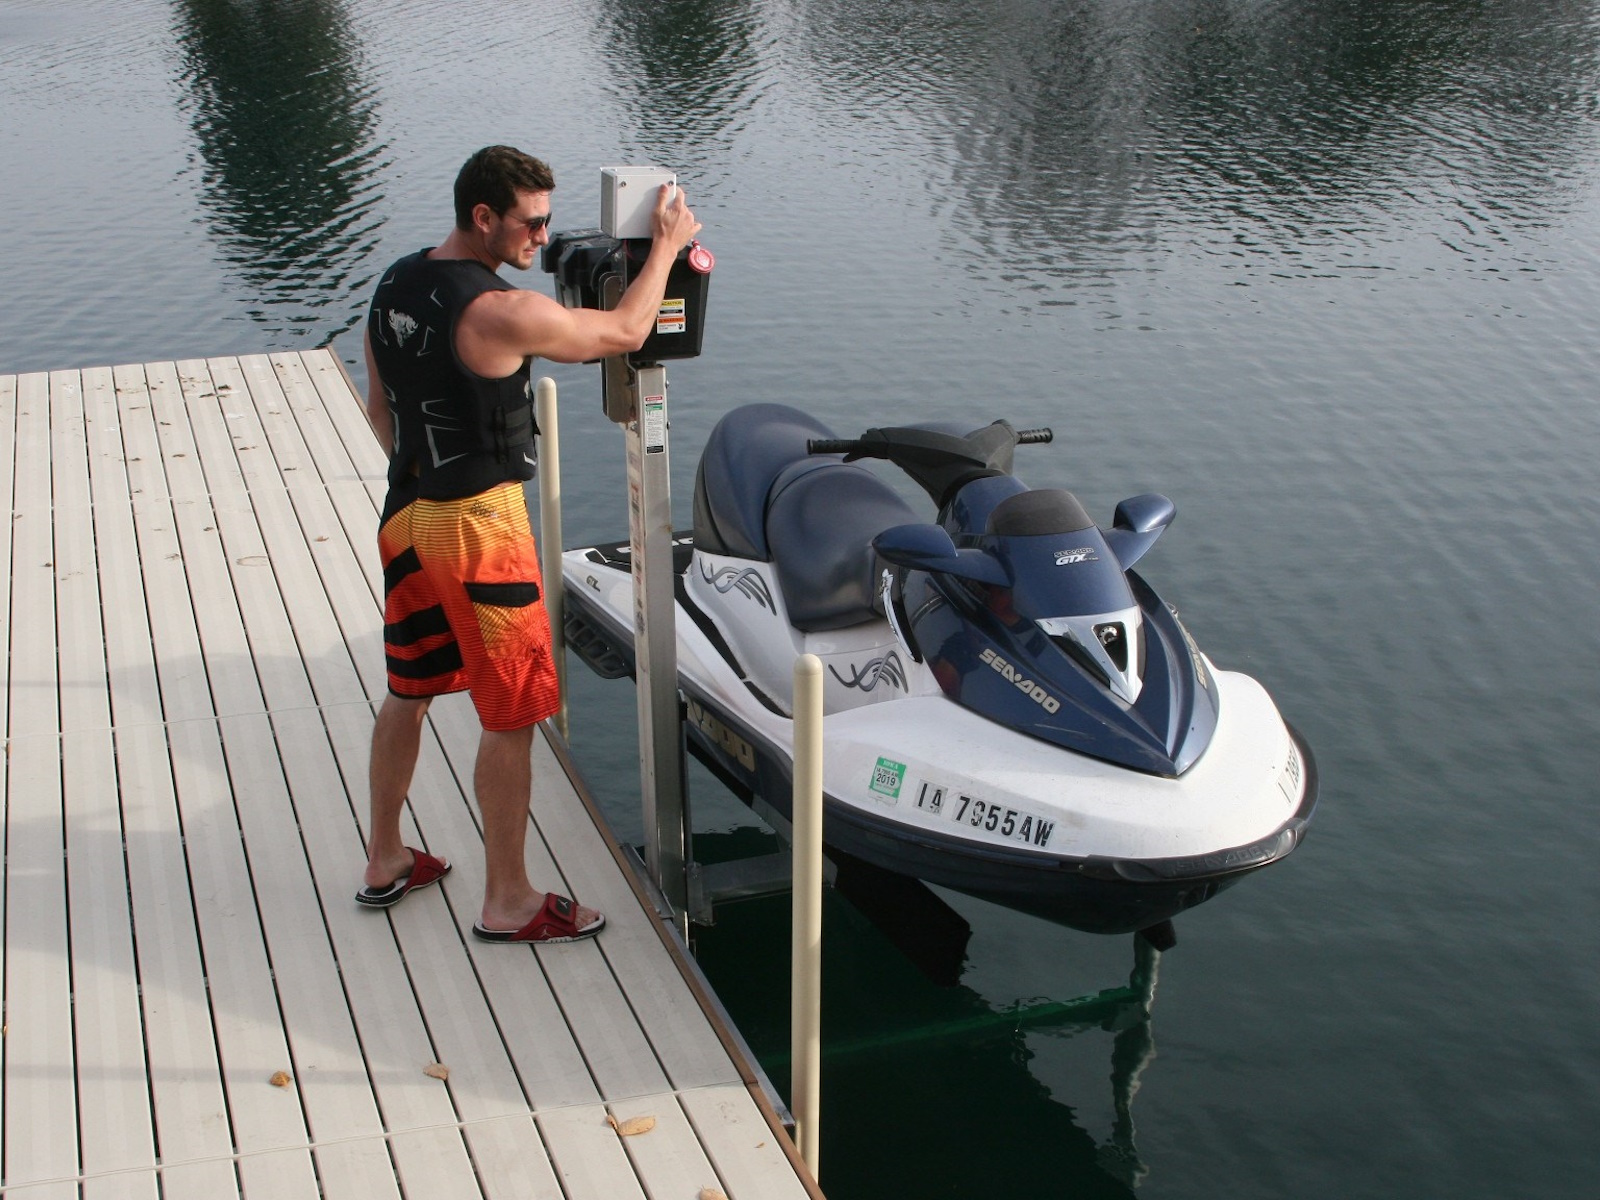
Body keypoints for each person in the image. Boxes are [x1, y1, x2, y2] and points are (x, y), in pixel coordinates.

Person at [355, 145, 701, 943]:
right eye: (530, 223)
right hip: (480, 529)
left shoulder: (395, 283)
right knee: (511, 715)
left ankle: (385, 858)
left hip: (406, 514)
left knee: (408, 690)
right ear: (483, 217)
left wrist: (429, 488)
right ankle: (507, 900)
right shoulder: (498, 311)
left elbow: (380, 407)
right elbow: (626, 329)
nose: (543, 238)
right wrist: (668, 248)